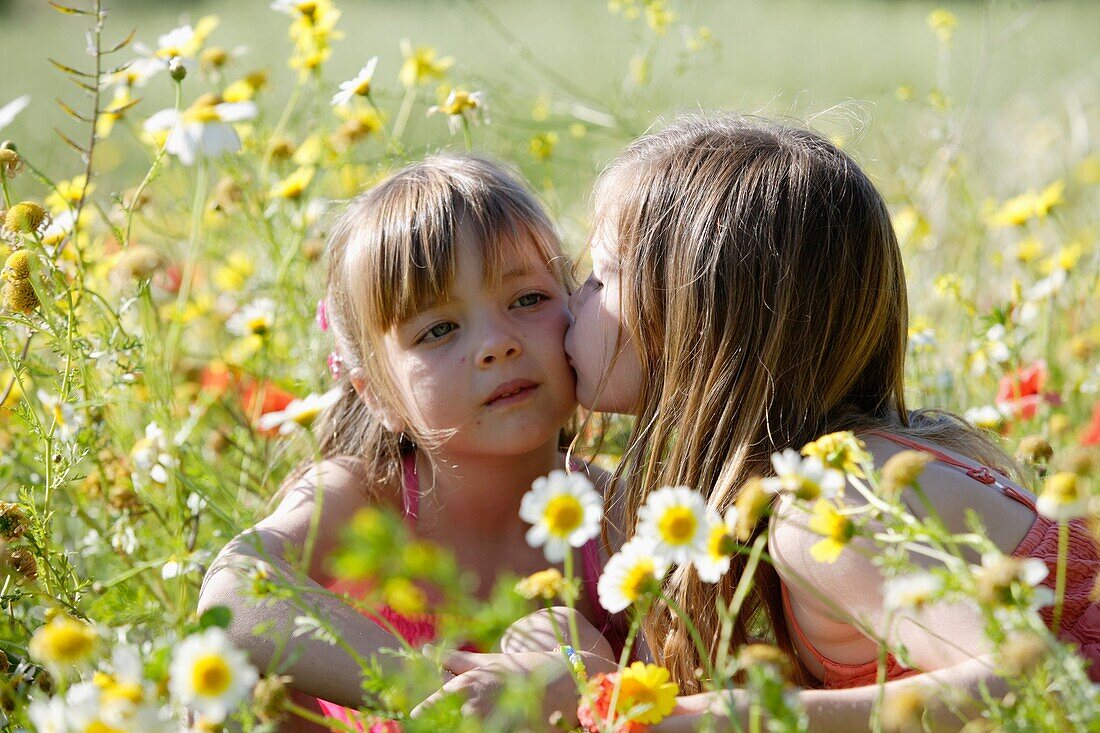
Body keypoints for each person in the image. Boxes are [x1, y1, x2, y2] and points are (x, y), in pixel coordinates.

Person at [563, 114, 1099, 730]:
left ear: (691, 321)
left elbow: (1038, 682)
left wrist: (750, 719)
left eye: (599, 277)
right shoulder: (864, 462)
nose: (574, 299)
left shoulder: (825, 509)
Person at [197, 155, 619, 732]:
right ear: (378, 396)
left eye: (527, 300)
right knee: (234, 679)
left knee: (558, 636)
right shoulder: (363, 495)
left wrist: (557, 676)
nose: (496, 344)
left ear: (576, 306)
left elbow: (648, 691)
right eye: (438, 329)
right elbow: (233, 592)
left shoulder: (614, 516)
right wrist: (422, 684)